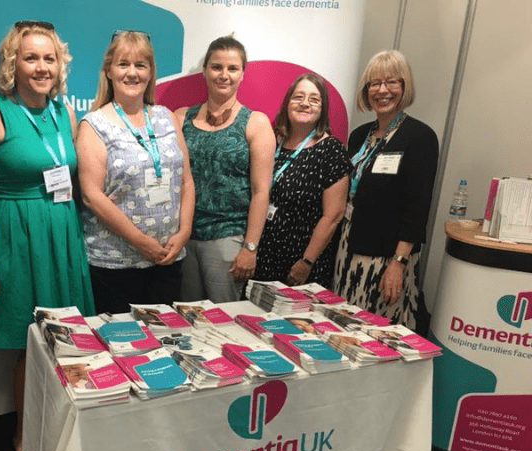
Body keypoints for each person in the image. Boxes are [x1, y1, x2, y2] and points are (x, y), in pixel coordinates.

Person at [0, 21, 95, 451]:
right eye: (31, 58)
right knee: (30, 343)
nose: (41, 67)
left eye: (49, 58)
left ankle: (67, 427)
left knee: (67, 337)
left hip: (61, 229)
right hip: (14, 234)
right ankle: (24, 437)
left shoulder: (64, 112)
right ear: (13, 63)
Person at [77, 31, 194, 314]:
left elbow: (187, 182)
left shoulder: (167, 117)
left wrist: (185, 232)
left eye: (140, 65)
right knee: (123, 348)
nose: (132, 73)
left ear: (151, 72)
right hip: (116, 264)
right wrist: (142, 242)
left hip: (168, 258)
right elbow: (93, 196)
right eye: (123, 64)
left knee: (164, 344)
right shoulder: (94, 124)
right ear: (109, 70)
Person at [333, 50, 438, 331]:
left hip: (385, 258)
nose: (382, 90)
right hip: (348, 248)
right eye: (374, 84)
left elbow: (417, 209)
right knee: (346, 330)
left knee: (377, 333)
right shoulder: (359, 136)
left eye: (391, 82)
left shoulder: (419, 137)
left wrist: (398, 263)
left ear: (404, 87)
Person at [175, 36, 276, 303]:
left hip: (228, 239)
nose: (224, 75)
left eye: (232, 68)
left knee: (223, 322)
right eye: (216, 67)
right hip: (183, 238)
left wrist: (250, 247)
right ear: (205, 70)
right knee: (186, 319)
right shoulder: (181, 117)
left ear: (242, 73)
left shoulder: (255, 123)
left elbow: (261, 191)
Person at [253, 73, 352, 288]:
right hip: (262, 256)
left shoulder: (331, 150)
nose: (305, 104)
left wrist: (306, 262)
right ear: (287, 103)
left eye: (314, 99)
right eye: (298, 97)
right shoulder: (272, 140)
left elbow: (333, 215)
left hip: (301, 263)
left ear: (322, 109)